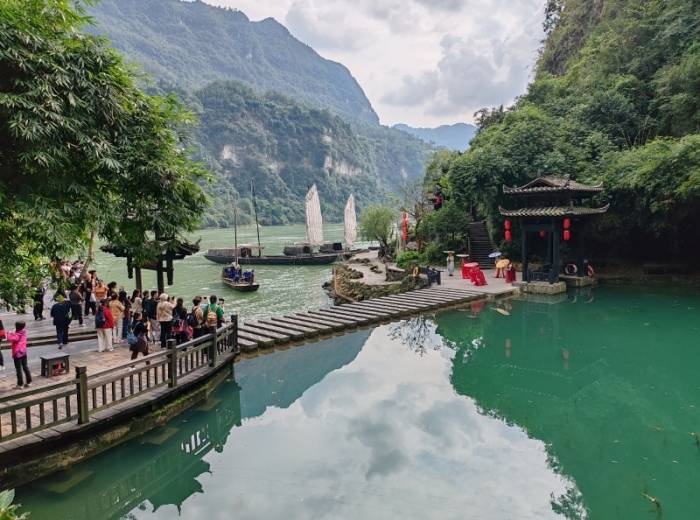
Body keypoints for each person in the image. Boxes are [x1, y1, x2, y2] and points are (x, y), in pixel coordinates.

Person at [7, 321, 31, 388]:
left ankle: (20, 384)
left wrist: (9, 333)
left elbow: (10, 338)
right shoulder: (24, 331)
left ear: (17, 327)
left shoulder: (17, 335)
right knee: (25, 367)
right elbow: (17, 333)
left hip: (17, 353)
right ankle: (29, 382)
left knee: (18, 369)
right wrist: (14, 332)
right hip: (24, 351)